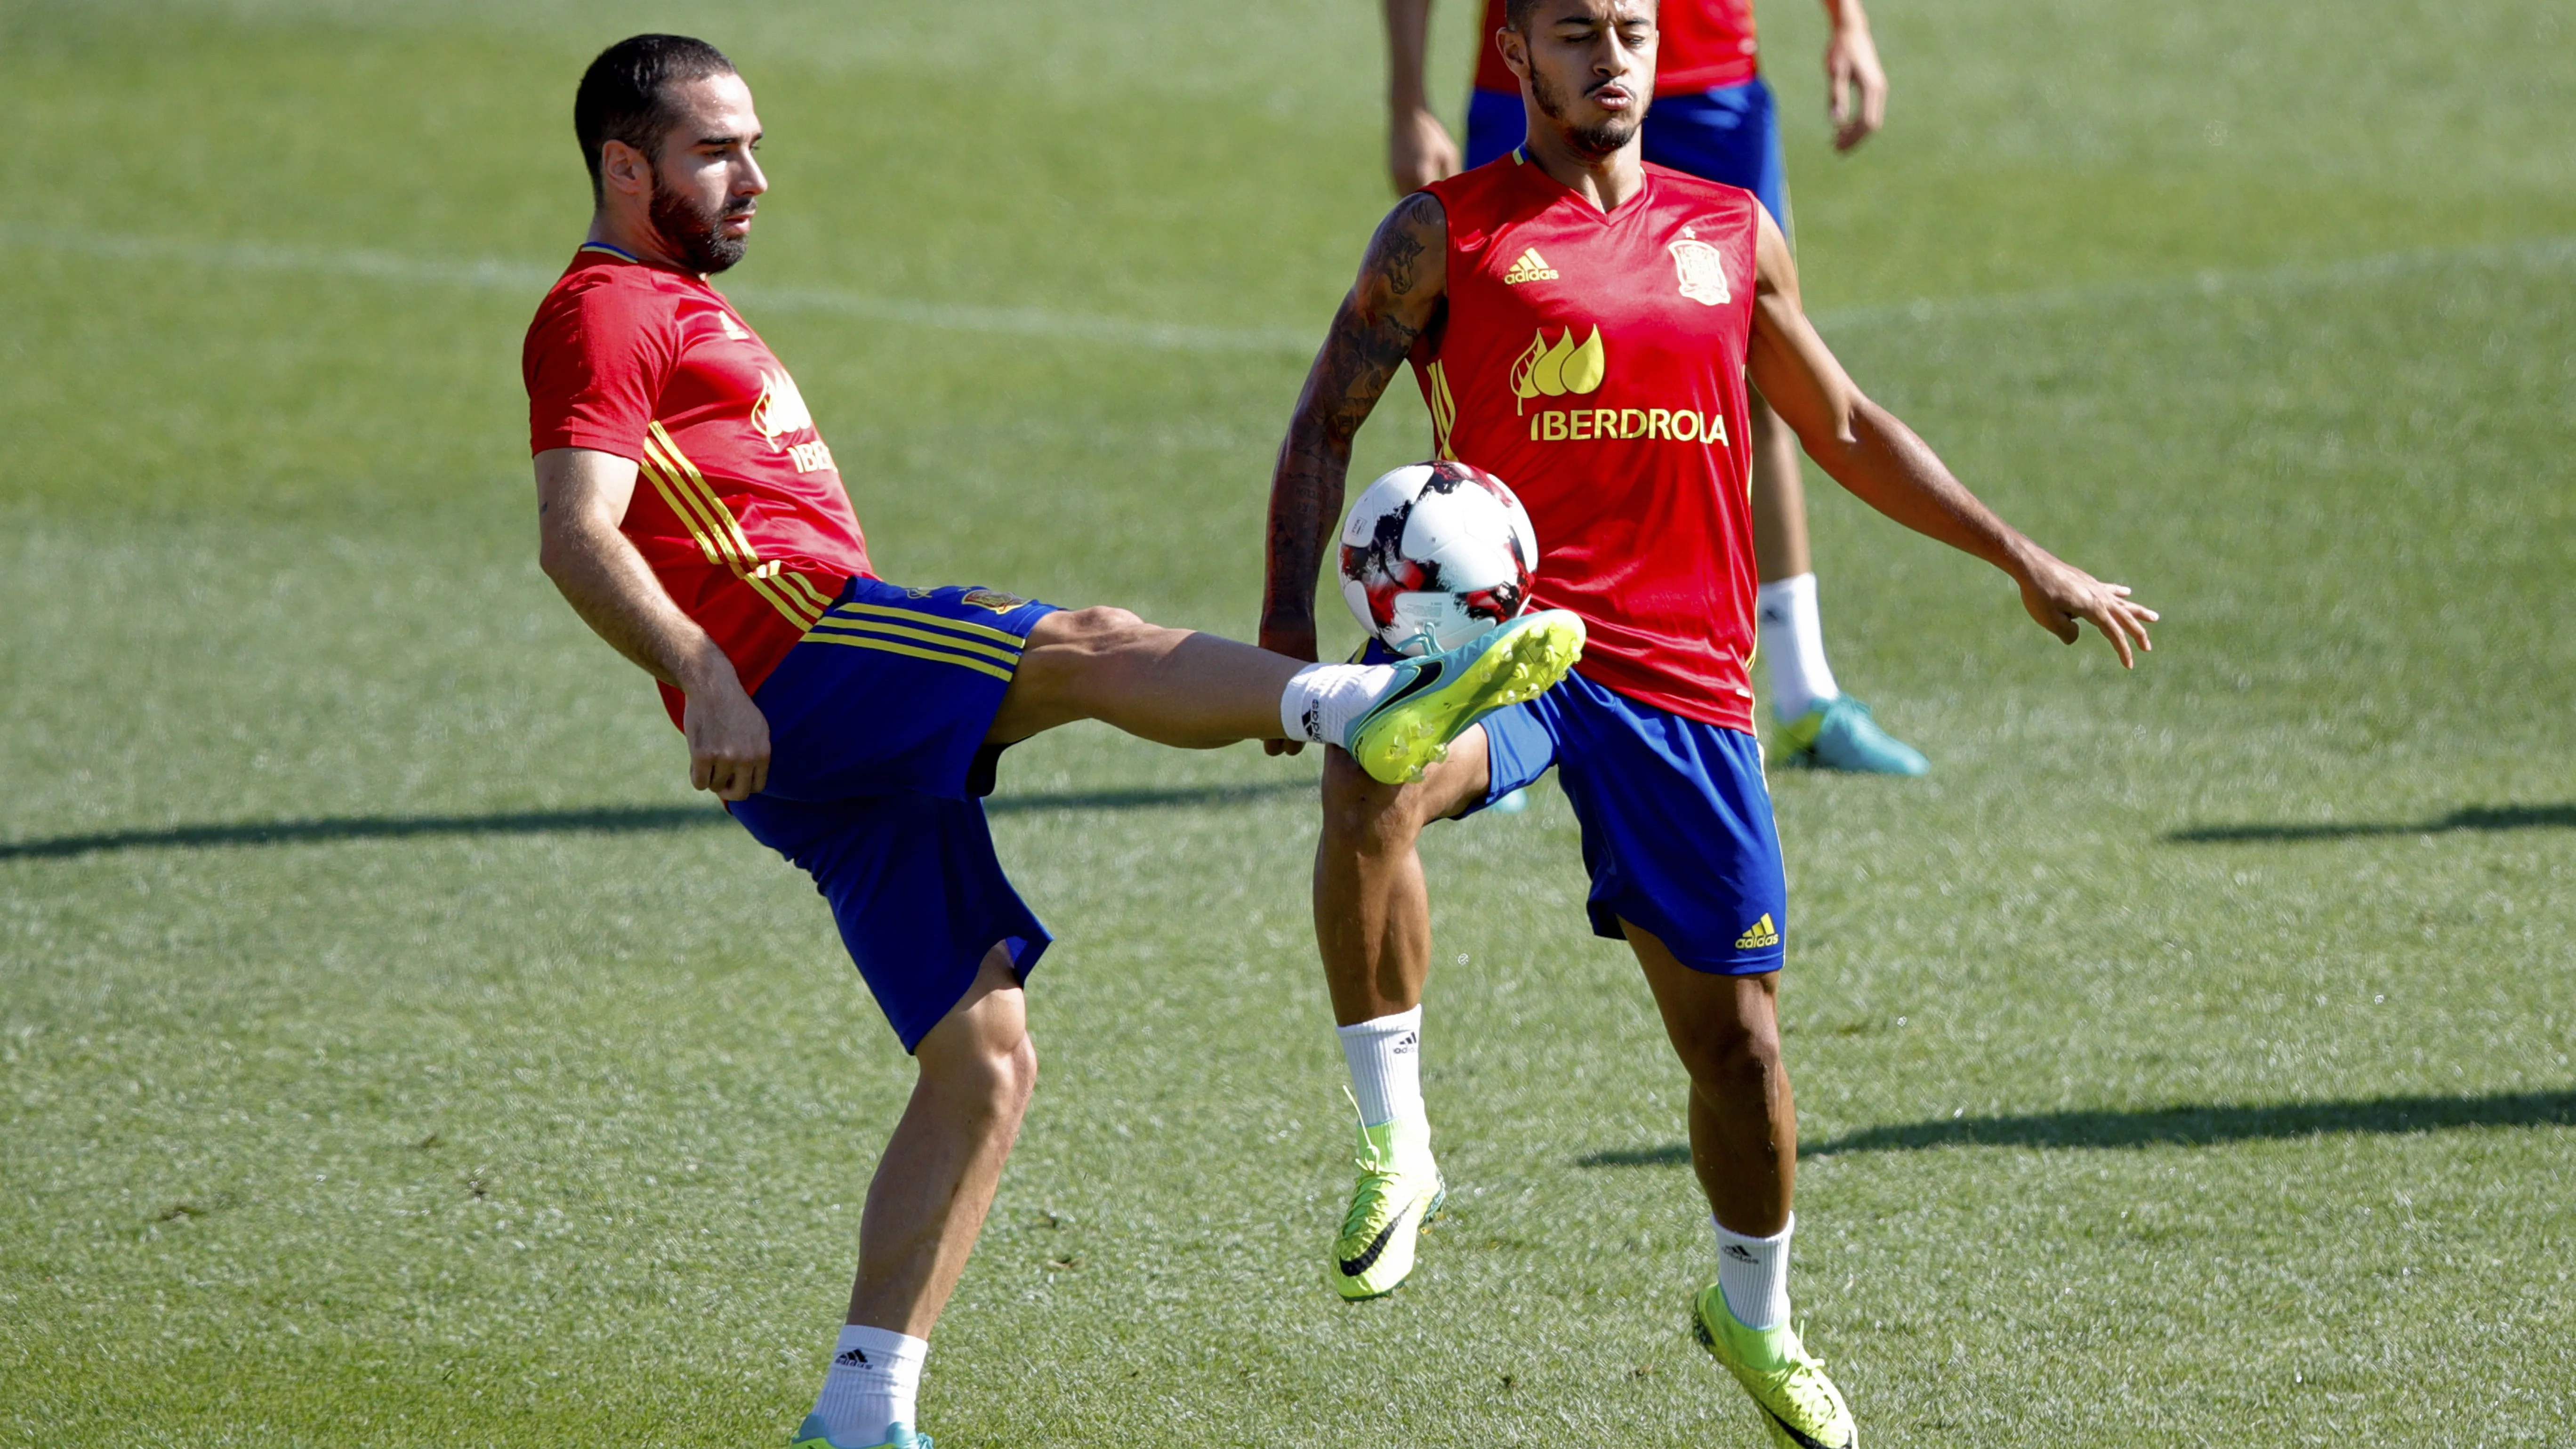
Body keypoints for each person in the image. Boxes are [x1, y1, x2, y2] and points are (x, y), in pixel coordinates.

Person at [521, 36, 1584, 1449]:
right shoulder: (603, 310)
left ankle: (861, 1411)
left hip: (812, 725)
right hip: (803, 654)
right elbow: (574, 530)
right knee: (1078, 643)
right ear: (622, 163)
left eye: (755, 145)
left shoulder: (672, 301)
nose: (754, 177)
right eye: (717, 151)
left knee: (985, 1059)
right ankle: (1357, 703)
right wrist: (706, 673)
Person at [1259, 3, 2155, 1443]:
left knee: (1739, 1052)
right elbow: (1323, 423)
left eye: (1631, 27)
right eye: (1575, 32)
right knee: (1375, 772)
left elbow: (1847, 426)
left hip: (1684, 682)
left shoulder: (1732, 229)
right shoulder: (1445, 234)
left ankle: (1753, 1308)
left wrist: (2019, 555)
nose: (1611, 55)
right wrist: (1287, 637)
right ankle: (1396, 1142)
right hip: (1513, 649)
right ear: (1517, 60)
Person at [1385, 0, 1929, 775]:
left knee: (1759, 366)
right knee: (1494, 367)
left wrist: (1850, 22)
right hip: (1539, 70)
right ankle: (1485, 691)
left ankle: (1805, 692)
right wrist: (1409, 96)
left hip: (1709, 75)